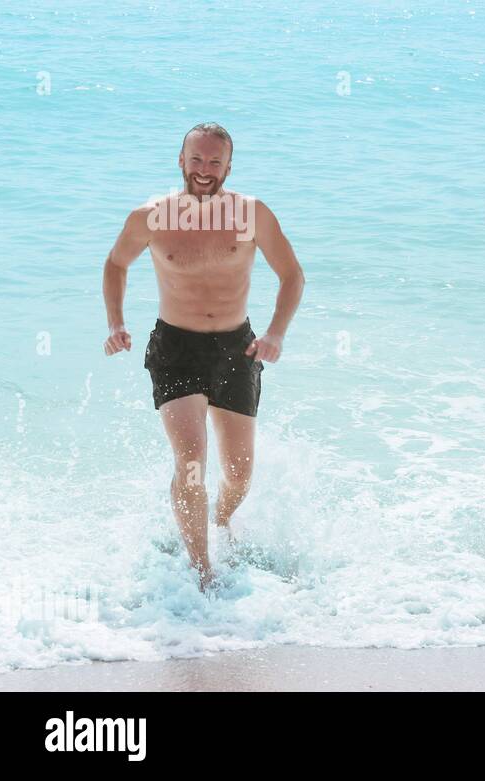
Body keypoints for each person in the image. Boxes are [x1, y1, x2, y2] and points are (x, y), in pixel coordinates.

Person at [102, 122, 305, 591]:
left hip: (238, 349)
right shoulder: (150, 218)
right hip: (176, 349)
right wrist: (116, 322)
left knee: (238, 474)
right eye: (197, 160)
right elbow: (116, 263)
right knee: (192, 459)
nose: (205, 170)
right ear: (180, 161)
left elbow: (292, 275)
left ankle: (218, 520)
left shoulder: (252, 215)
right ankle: (201, 570)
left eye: (215, 162)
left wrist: (275, 334)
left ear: (229, 166)